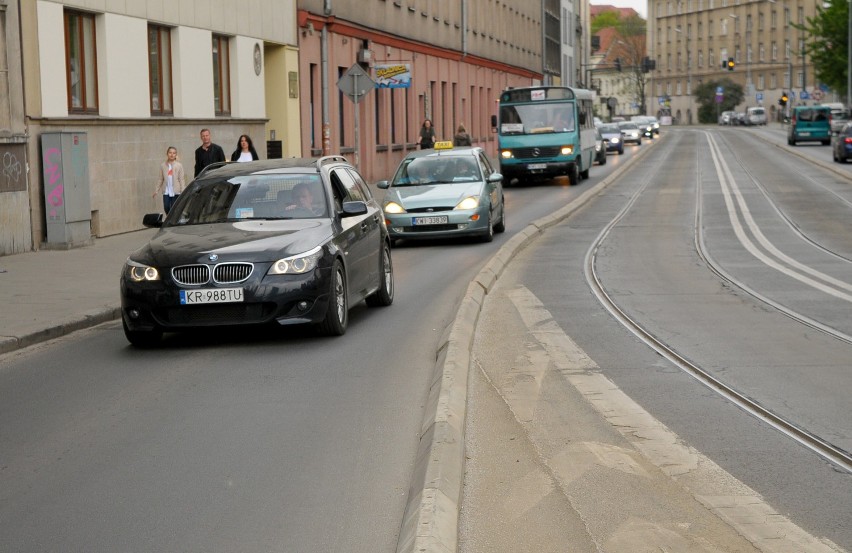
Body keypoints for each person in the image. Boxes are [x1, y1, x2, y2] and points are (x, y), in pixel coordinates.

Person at [153, 146, 186, 214]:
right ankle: (169, 218)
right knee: (166, 207)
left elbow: (181, 179)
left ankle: (173, 222)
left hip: (176, 191)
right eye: (170, 152)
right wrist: (156, 190)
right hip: (166, 191)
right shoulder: (163, 165)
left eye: (174, 153)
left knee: (174, 208)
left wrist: (183, 191)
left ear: (176, 155)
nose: (172, 154)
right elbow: (160, 179)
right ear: (167, 154)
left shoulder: (179, 165)